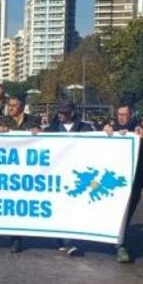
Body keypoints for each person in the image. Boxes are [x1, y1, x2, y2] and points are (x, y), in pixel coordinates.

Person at [104, 103, 143, 263]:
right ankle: (120, 244)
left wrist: (139, 138)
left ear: (130, 115)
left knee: (129, 211)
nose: (122, 117)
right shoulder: (111, 129)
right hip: (115, 181)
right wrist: (106, 133)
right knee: (119, 212)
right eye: (119, 114)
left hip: (135, 179)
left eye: (125, 114)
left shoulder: (139, 129)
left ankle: (118, 238)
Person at [46, 99, 95, 255]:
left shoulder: (85, 129)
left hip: (76, 175)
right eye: (59, 111)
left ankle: (67, 240)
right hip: (57, 175)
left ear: (72, 113)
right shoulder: (51, 129)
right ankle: (62, 240)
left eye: (64, 112)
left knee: (71, 207)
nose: (60, 114)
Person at [0, 94, 36, 253]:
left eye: (14, 105)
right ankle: (14, 238)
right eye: (9, 105)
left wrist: (38, 132)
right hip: (8, 169)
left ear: (22, 107)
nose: (10, 108)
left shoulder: (33, 120)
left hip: (28, 169)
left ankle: (20, 236)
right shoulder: (3, 120)